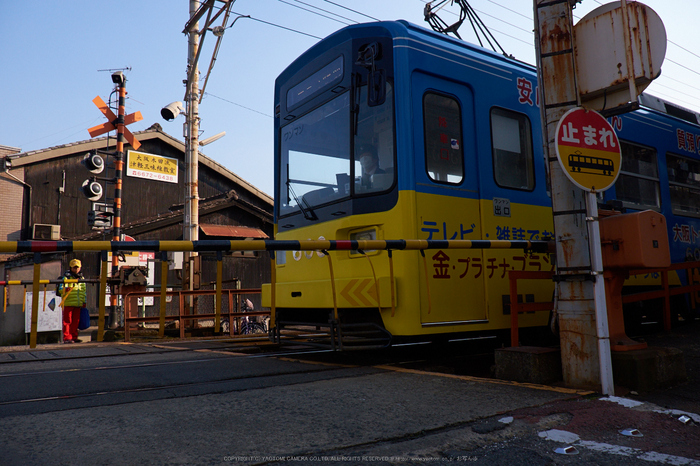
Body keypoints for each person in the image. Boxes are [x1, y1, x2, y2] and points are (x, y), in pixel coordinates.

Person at [58, 258, 87, 343]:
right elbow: (60, 289)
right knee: (67, 321)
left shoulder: (82, 278)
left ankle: (74, 337)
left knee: (75, 321)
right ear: (70, 267)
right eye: (74, 267)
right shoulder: (65, 277)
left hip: (77, 303)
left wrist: (84, 301)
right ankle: (67, 337)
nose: (76, 269)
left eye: (77, 267)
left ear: (80, 267)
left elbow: (84, 291)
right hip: (68, 302)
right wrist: (66, 289)